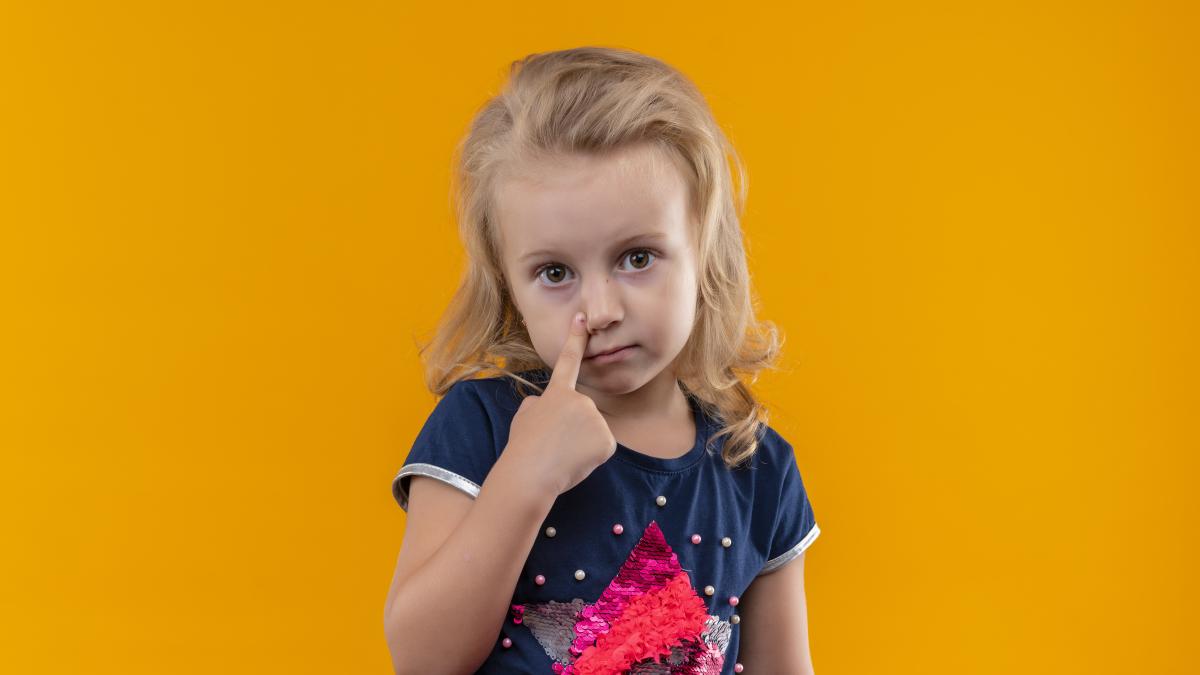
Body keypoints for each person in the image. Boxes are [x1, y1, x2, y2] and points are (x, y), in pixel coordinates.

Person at [383, 46, 821, 674]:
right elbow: (421, 661)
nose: (600, 308)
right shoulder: (482, 426)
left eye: (637, 257)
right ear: (509, 285)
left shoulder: (758, 468)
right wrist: (525, 477)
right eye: (554, 272)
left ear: (703, 251)